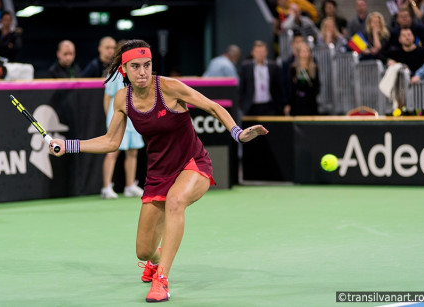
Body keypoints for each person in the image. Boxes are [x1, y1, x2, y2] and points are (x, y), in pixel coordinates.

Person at [48, 39, 268, 303]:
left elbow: (213, 106)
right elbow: (111, 142)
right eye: (136, 66)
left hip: (192, 163)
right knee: (143, 251)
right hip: (158, 174)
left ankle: (162, 279)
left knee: (176, 202)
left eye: (147, 65)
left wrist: (237, 133)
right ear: (124, 71)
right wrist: (69, 145)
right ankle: (157, 259)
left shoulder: (169, 88)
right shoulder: (122, 99)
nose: (143, 72)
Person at [101, 41, 145, 200]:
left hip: (134, 116)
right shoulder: (114, 73)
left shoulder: (138, 72)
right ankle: (106, 187)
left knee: (133, 151)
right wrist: (111, 118)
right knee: (112, 151)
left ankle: (130, 185)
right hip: (118, 116)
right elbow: (107, 98)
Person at [239, 40, 284, 115]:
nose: (260, 54)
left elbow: (279, 88)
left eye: (262, 51)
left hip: (270, 106)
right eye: (257, 51)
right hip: (251, 107)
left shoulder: (274, 67)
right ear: (253, 53)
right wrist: (243, 106)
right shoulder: (246, 67)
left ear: (266, 52)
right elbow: (241, 89)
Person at [286, 42, 320, 115]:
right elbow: (291, 87)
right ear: (298, 53)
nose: (305, 53)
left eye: (307, 51)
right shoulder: (293, 69)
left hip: (310, 103)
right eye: (303, 51)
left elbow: (316, 87)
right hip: (297, 103)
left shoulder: (314, 68)